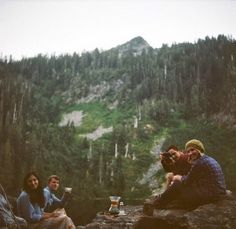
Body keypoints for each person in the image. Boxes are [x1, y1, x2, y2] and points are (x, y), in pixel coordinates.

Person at [152, 139, 226, 209]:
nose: (190, 153)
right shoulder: (208, 159)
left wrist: (178, 177)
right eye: (188, 151)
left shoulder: (199, 162)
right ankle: (163, 201)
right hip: (217, 192)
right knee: (178, 185)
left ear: (199, 149)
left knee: (177, 184)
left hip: (211, 194)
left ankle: (156, 204)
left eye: (193, 150)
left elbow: (187, 180)